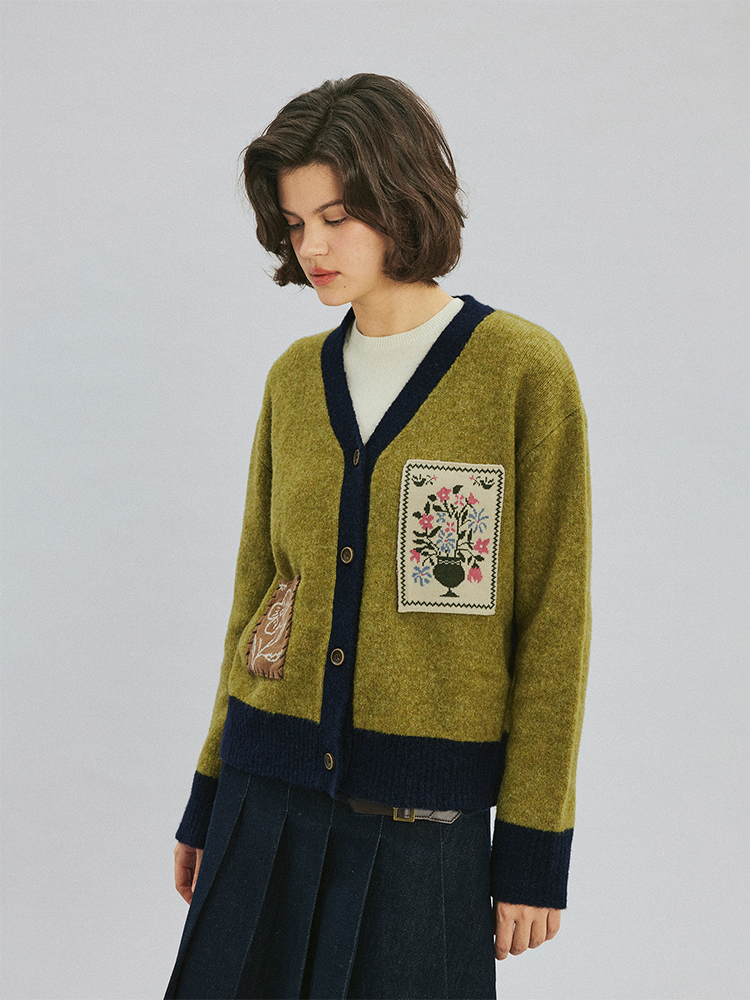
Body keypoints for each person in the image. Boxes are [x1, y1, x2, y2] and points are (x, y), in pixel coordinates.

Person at [165, 73, 591, 1000]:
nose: (312, 247)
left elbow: (554, 624)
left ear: (402, 198)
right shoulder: (293, 379)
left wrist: (534, 845)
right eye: (294, 223)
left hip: (422, 838)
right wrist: (208, 796)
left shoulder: (521, 372)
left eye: (337, 216)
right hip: (261, 803)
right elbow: (257, 599)